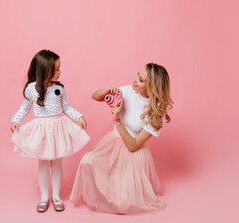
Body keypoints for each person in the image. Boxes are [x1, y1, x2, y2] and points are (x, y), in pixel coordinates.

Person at [70, 63, 173, 214]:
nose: (135, 79)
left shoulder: (156, 113)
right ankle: (107, 193)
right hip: (113, 142)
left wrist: (117, 119)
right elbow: (95, 96)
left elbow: (133, 145)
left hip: (132, 151)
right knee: (88, 160)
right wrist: (107, 91)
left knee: (124, 203)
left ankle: (121, 192)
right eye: (138, 74)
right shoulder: (129, 90)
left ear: (152, 86)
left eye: (141, 79)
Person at [10, 49, 90, 213]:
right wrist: (15, 120)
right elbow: (24, 108)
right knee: (44, 165)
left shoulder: (58, 89)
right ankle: (44, 197)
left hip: (58, 129)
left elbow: (66, 108)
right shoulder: (31, 89)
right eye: (57, 69)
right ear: (46, 70)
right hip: (42, 131)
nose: (60, 72)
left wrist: (79, 116)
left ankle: (57, 197)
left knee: (57, 164)